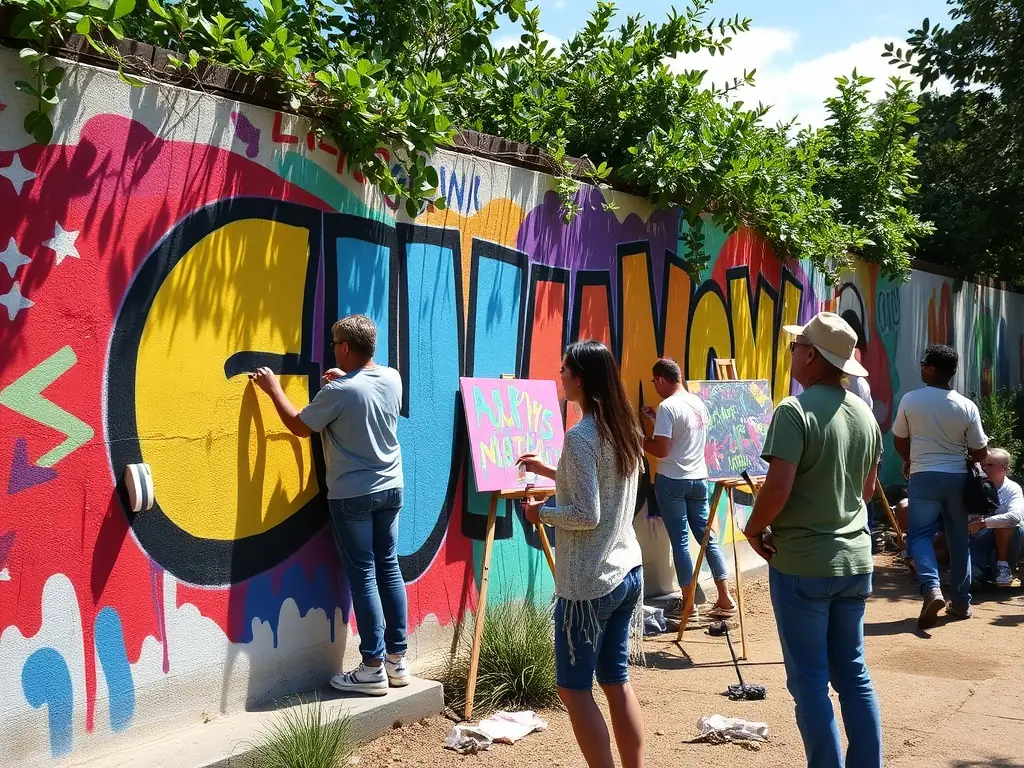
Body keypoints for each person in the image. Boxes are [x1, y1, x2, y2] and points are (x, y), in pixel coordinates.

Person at [742, 311, 883, 768]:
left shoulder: (794, 410)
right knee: (854, 675)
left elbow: (776, 490)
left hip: (803, 562)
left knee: (810, 682)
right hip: (855, 561)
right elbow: (865, 490)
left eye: (795, 346)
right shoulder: (864, 412)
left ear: (810, 355)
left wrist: (751, 528)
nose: (790, 353)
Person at [252, 314, 409, 696]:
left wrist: (273, 389)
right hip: (391, 488)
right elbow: (364, 396)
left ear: (344, 348)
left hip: (353, 494)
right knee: (389, 568)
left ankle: (371, 667)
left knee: (364, 574)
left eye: (334, 343)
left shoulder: (339, 393)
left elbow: (299, 424)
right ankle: (397, 661)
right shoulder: (391, 378)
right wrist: (345, 380)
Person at [517, 340, 645, 768]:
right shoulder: (622, 426)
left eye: (564, 370)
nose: (560, 376)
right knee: (615, 681)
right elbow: (600, 486)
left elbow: (586, 513)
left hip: (589, 584)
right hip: (625, 569)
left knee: (573, 689)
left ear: (582, 379)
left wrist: (541, 512)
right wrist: (549, 471)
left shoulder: (581, 435)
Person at [892, 344, 988, 628]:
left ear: (932, 368)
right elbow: (981, 451)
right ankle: (960, 603)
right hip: (957, 479)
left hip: (924, 477)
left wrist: (908, 460)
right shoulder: (966, 405)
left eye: (924, 364)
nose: (921, 367)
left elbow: (899, 439)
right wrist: (963, 457)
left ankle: (932, 588)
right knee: (959, 540)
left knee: (920, 535)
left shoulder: (911, 400)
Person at [639, 357, 736, 622]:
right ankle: (725, 598)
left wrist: (638, 439)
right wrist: (655, 419)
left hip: (672, 479)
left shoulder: (668, 406)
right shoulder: (697, 403)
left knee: (681, 542)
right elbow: (684, 433)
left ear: (660, 379)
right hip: (698, 479)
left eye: (653, 382)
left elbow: (662, 449)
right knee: (707, 538)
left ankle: (689, 605)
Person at [969, 448, 1024, 586]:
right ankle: (976, 572)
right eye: (983, 465)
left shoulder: (1012, 489)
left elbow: (1015, 517)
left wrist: (983, 523)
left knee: (1004, 525)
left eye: (990, 465)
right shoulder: (977, 488)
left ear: (1003, 468)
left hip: (1011, 541)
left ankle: (1003, 568)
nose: (984, 468)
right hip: (981, 539)